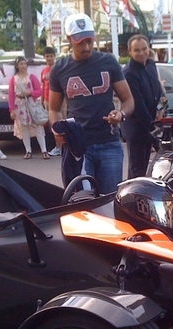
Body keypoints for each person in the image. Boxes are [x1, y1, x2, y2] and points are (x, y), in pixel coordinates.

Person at [48, 13, 134, 194]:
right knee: (83, 203)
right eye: (80, 42)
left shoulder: (108, 61)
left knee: (110, 201)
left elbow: (128, 100)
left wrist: (121, 114)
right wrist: (56, 129)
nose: (86, 47)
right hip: (78, 146)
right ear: (69, 39)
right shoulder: (59, 68)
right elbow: (54, 109)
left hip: (109, 142)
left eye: (90, 41)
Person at [121, 35, 163, 178]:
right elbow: (138, 106)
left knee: (147, 167)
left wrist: (161, 108)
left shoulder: (151, 64)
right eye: (137, 50)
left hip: (152, 122)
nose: (141, 53)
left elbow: (158, 90)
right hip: (137, 127)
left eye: (144, 49)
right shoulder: (129, 73)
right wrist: (155, 129)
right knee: (137, 169)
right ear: (130, 51)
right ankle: (131, 197)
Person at [8, 57, 48, 159]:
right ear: (17, 66)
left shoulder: (32, 77)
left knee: (37, 126)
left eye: (25, 64)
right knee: (24, 127)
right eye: (21, 64)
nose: (23, 66)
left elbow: (39, 91)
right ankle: (28, 150)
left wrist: (30, 93)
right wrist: (12, 109)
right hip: (20, 105)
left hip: (32, 103)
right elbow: (11, 95)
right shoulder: (13, 79)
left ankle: (44, 150)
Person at [41, 46, 60, 156]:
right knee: (51, 125)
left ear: (54, 56)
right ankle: (55, 146)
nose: (49, 58)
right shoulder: (44, 71)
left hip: (57, 100)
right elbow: (43, 86)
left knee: (59, 123)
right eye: (47, 56)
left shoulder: (57, 69)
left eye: (51, 56)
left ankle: (60, 147)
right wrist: (42, 101)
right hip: (47, 101)